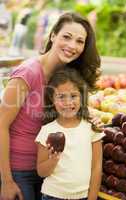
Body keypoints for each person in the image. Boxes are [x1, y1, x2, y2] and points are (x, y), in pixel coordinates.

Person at [0, 12, 101, 200]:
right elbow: (1, 124)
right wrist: (6, 181)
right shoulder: (28, 73)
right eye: (66, 37)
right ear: (53, 35)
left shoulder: (67, 76)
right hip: (19, 171)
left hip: (53, 173)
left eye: (80, 41)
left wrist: (88, 117)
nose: (72, 46)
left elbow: (67, 115)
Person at [36, 68, 104, 200]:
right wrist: (53, 159)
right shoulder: (47, 130)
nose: (68, 102)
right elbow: (41, 172)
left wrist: (92, 197)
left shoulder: (92, 128)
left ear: (81, 97)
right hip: (52, 195)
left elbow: (96, 168)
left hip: (83, 196)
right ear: (52, 99)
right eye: (61, 97)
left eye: (73, 96)